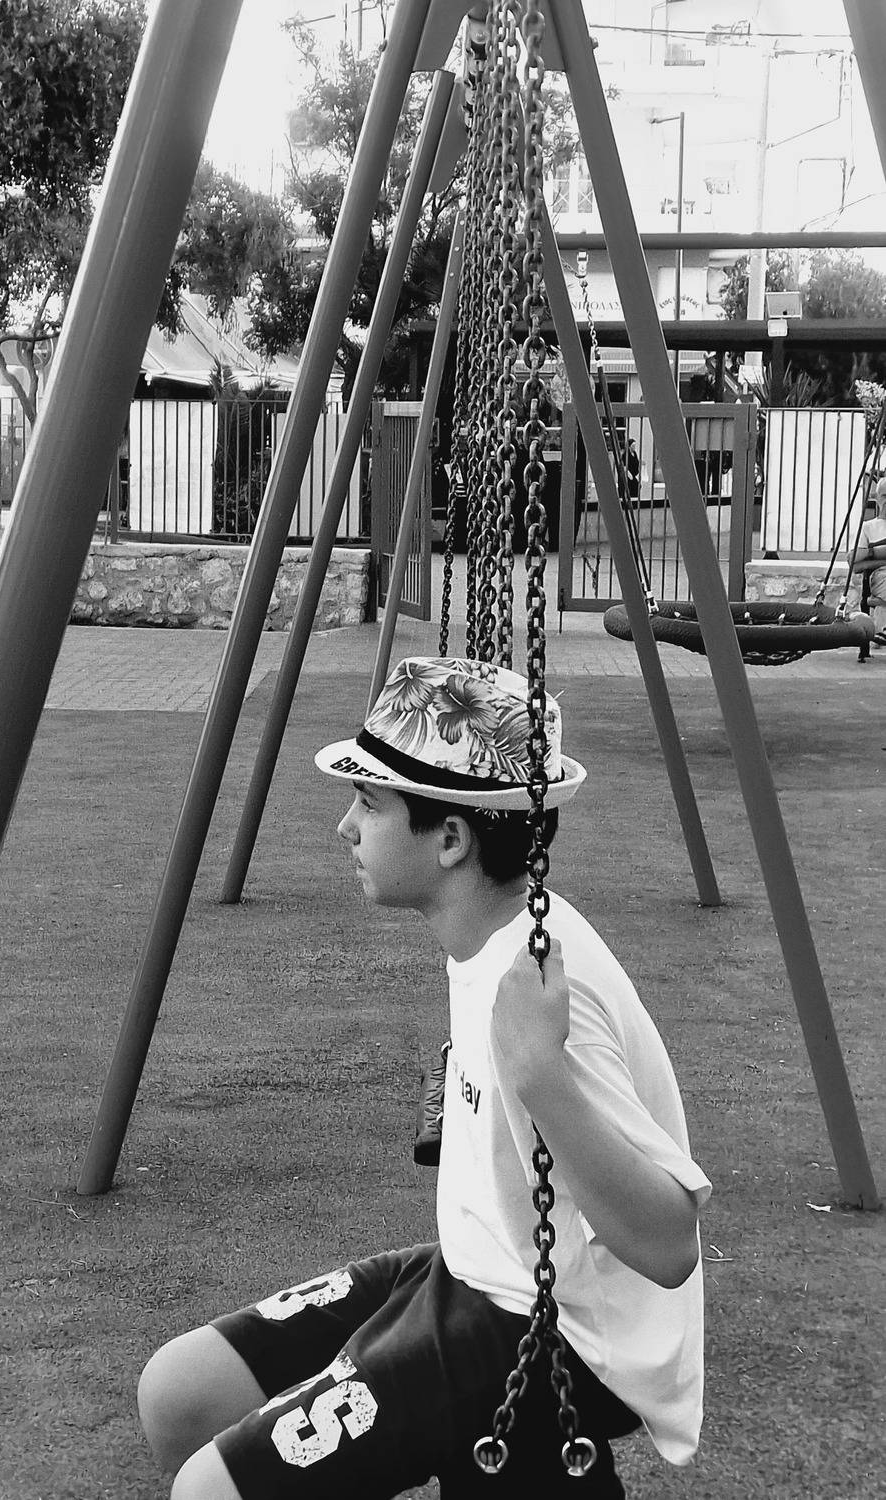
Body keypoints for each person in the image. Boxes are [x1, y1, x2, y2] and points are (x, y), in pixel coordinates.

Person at [137, 658, 711, 1499]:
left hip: (556, 1328)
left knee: (208, 1492)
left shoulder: (544, 988)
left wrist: (538, 1074)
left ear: (449, 840)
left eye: (368, 805)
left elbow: (667, 1246)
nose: (343, 827)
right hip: (472, 1264)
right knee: (181, 1391)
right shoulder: (485, 928)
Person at [849, 476, 886, 647]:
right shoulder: (868, 527)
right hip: (879, 578)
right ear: (877, 498)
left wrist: (872, 555)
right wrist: (876, 553)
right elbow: (854, 562)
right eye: (885, 496)